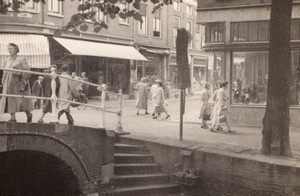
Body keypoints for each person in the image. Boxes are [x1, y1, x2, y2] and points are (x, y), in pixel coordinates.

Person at [0, 43, 33, 122]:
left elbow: (28, 72)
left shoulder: (21, 59)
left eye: (11, 48)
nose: (9, 50)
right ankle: (13, 118)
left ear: (16, 49)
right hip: (8, 83)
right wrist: (3, 81)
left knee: (22, 101)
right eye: (8, 48)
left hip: (18, 83)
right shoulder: (7, 60)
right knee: (10, 99)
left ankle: (29, 114)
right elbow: (4, 72)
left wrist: (19, 73)